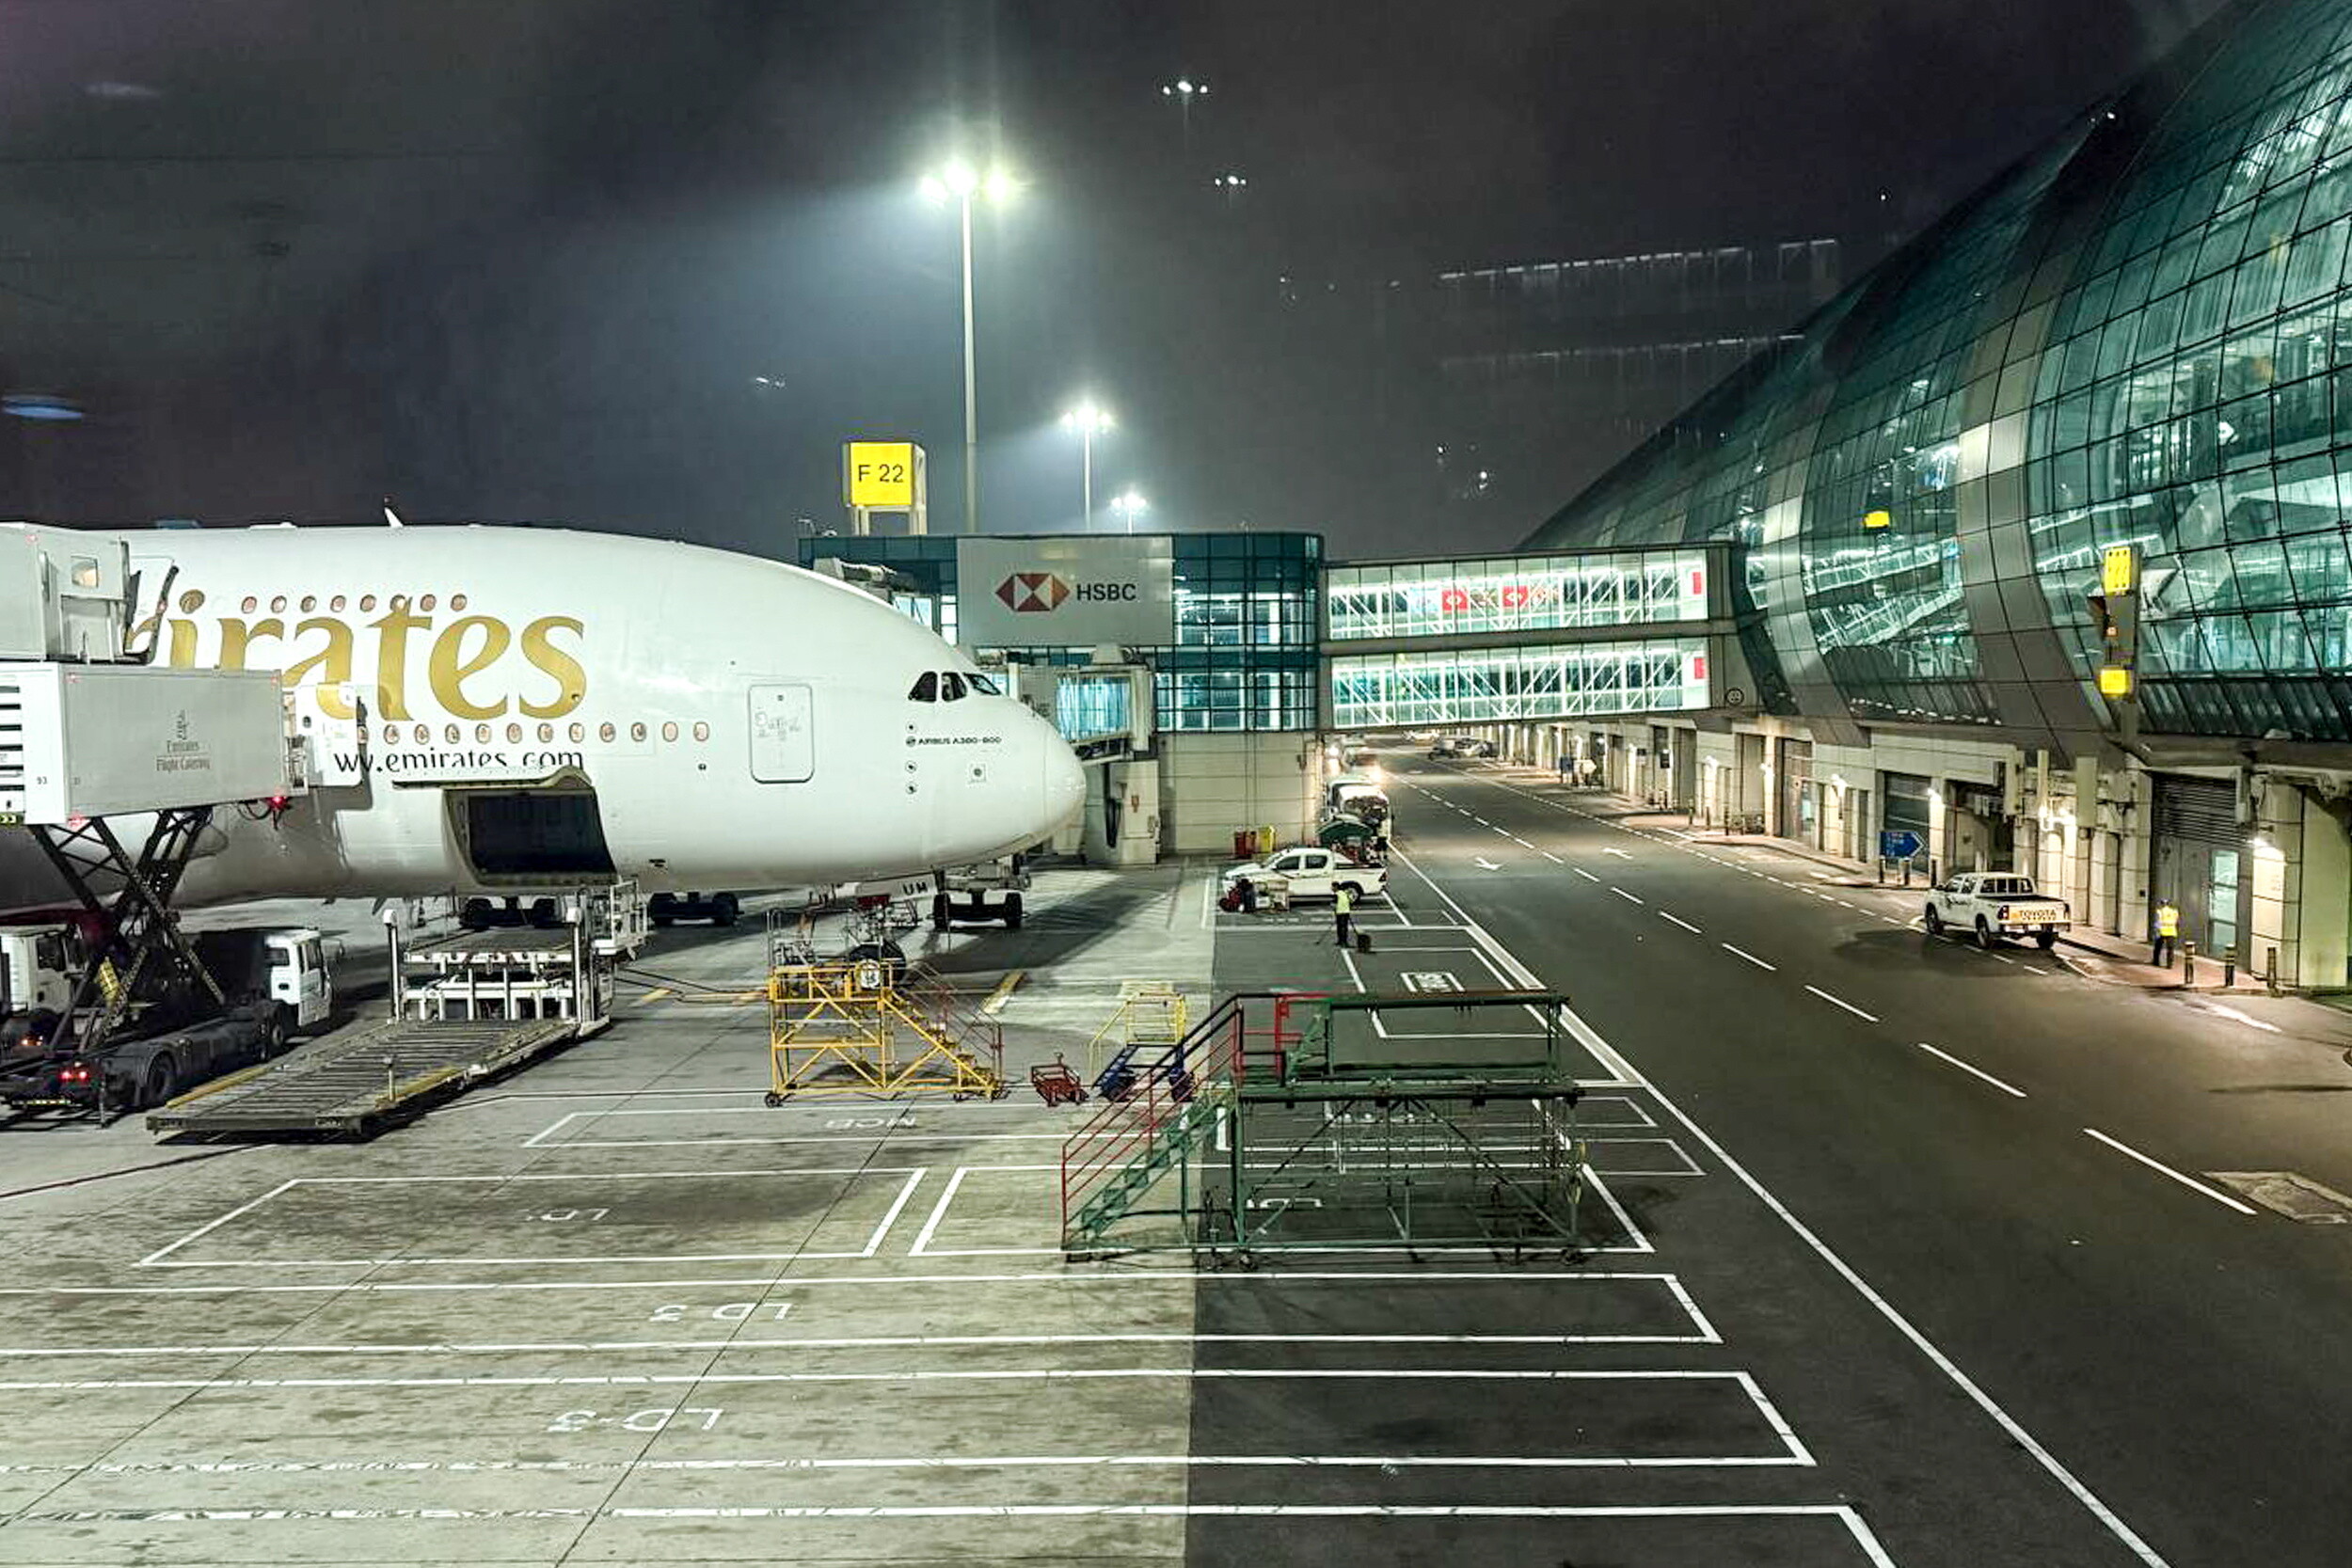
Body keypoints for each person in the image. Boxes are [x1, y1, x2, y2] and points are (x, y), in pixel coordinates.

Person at [2153, 899, 2180, 967]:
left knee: (2158, 948)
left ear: (2162, 904)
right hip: (2171, 931)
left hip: (2162, 931)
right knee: (2170, 949)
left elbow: (2158, 922)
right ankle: (2170, 964)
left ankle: (2156, 962)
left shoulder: (2160, 911)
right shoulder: (2174, 911)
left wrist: (2156, 930)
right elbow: (2176, 921)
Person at [1333, 882, 1356, 948]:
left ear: (1336, 887)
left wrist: (1334, 908)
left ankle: (1342, 941)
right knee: (1344, 928)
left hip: (1340, 913)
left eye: (1333, 887)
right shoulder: (1345, 893)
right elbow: (1351, 901)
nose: (1332, 888)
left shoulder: (1337, 894)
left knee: (1340, 928)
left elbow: (1334, 904)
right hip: (1346, 912)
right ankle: (1343, 941)